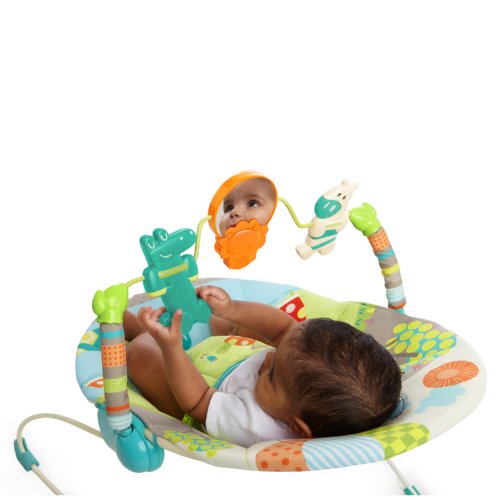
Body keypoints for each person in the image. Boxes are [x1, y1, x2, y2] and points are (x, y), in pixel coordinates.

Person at [124, 285, 402, 447]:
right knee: (232, 321)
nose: (268, 359)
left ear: (296, 425)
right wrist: (232, 309)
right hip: (232, 354)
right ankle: (200, 326)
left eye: (270, 376)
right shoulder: (293, 372)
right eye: (276, 354)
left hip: (200, 390)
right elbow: (282, 328)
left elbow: (198, 400)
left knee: (142, 355)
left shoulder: (254, 425)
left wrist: (172, 348)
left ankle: (134, 329)